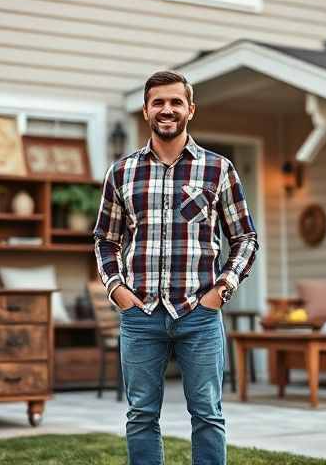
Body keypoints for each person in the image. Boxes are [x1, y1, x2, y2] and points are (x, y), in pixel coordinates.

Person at [93, 70, 259, 465]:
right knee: (141, 416)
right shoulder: (121, 173)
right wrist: (119, 291)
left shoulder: (219, 170)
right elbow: (105, 240)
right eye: (158, 103)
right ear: (146, 110)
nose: (167, 110)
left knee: (207, 415)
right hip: (141, 315)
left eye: (175, 102)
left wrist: (220, 293)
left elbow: (245, 239)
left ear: (190, 109)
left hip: (199, 316)